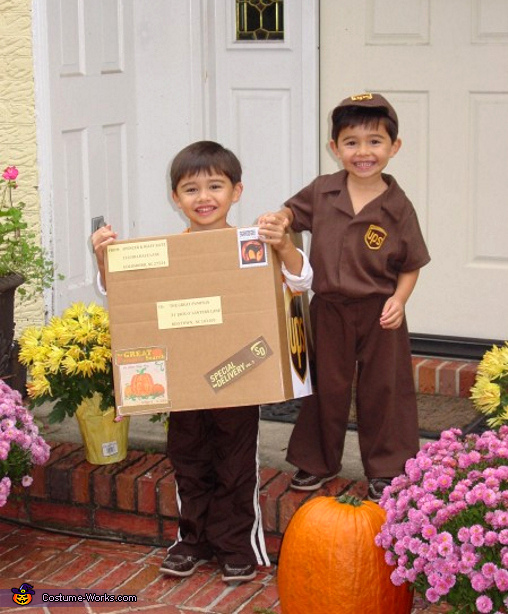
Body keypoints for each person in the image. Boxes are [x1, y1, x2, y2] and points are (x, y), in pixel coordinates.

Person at [91, 140, 313, 582]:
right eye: (191, 189)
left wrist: (284, 245)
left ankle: (235, 546)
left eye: (215, 186)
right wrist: (103, 257)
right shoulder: (166, 253)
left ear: (237, 191)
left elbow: (300, 278)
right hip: (186, 384)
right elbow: (119, 295)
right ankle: (191, 540)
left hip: (239, 376)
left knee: (234, 465)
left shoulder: (254, 243)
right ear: (176, 199)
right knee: (188, 460)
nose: (204, 197)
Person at [261, 93, 431, 502]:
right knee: (326, 386)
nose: (363, 152)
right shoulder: (324, 191)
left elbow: (412, 263)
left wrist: (400, 300)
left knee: (384, 389)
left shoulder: (398, 207)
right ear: (334, 148)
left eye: (375, 141)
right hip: (330, 311)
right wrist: (279, 219)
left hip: (379, 313)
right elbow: (291, 212)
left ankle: (388, 468)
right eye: (351, 142)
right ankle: (316, 462)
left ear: (394, 147)